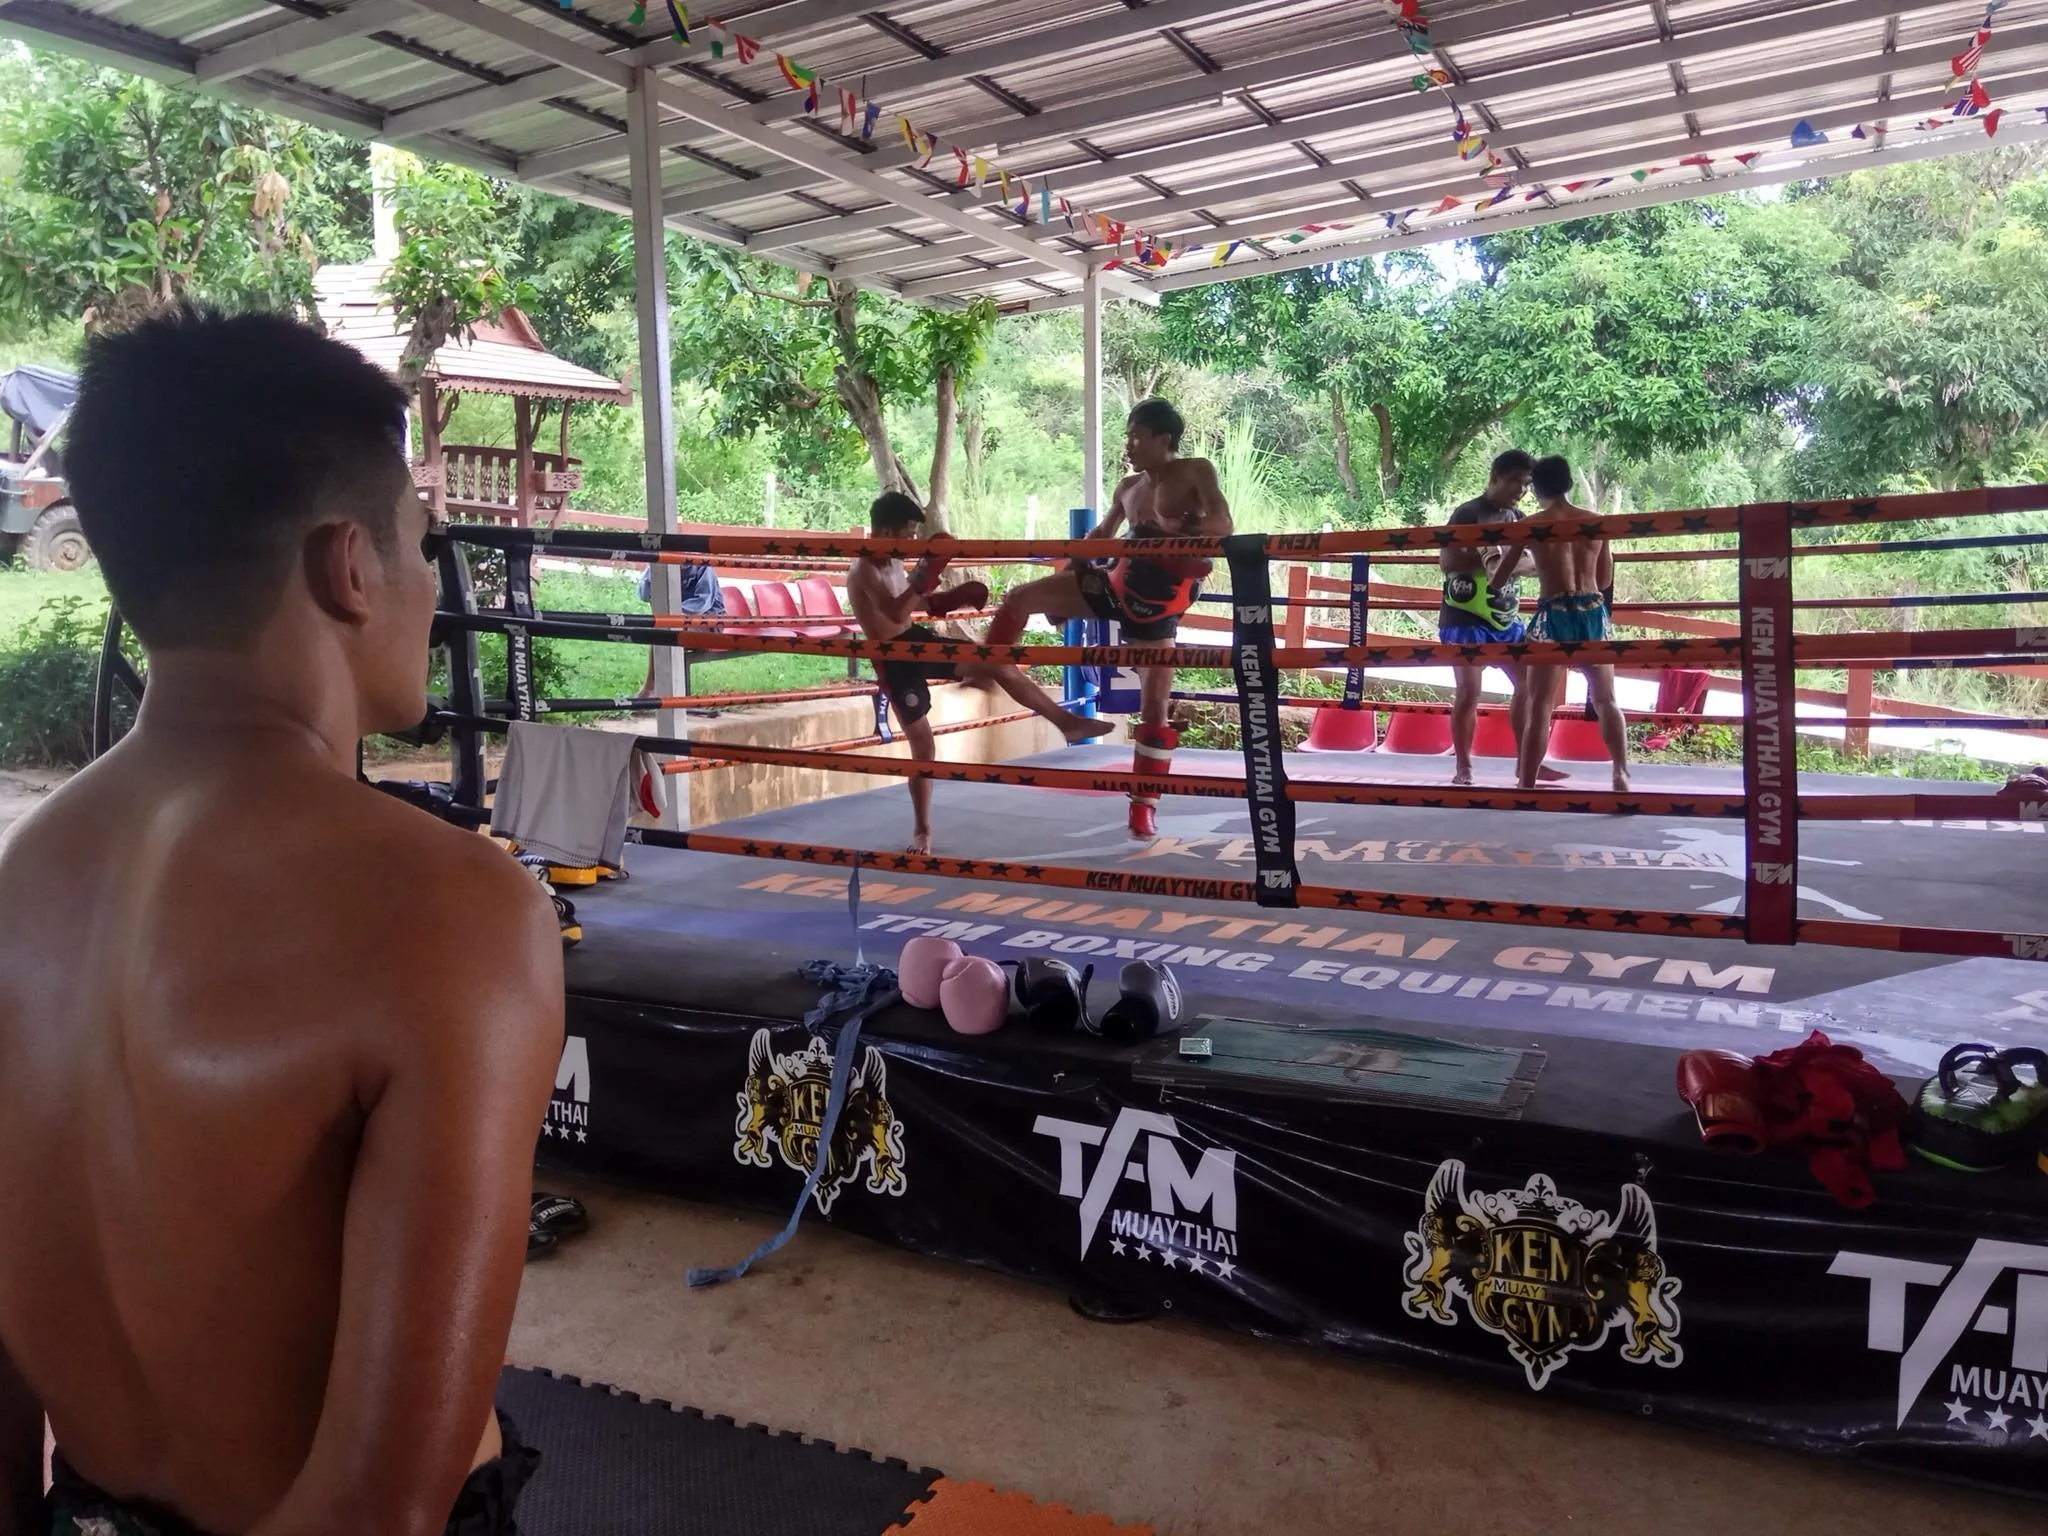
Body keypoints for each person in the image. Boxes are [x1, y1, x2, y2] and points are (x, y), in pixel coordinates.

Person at [0, 307, 564, 1535]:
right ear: (346, 568)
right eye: (420, 542)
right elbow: (377, 1513)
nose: (429, 583)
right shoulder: (454, 911)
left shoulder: (17, 885)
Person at [980, 399, 1232, 839]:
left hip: (1161, 604)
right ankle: (998, 672)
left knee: (1154, 712)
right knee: (1019, 599)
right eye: (1128, 435)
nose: (1129, 444)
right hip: (1116, 583)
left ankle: (1143, 808)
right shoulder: (1128, 487)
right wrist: (1075, 560)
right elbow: (1102, 538)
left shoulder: (1196, 471)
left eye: (1136, 435)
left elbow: (1225, 523)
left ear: (1163, 439)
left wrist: (1180, 536)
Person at [846, 491, 1111, 856]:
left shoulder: (891, 561)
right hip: (892, 658)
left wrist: (948, 598)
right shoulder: (862, 569)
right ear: (887, 529)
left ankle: (1066, 721)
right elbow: (892, 612)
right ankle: (923, 831)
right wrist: (925, 578)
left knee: (996, 659)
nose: (909, 543)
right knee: (923, 745)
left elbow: (911, 602)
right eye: (906, 534)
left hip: (915, 639)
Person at [1437, 448, 1561, 788]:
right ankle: (1463, 767)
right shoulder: (1467, 513)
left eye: (1525, 484)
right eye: (1513, 482)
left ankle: (1527, 761)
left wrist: (1500, 563)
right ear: (1494, 478)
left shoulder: (1519, 517)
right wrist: (1494, 562)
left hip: (1506, 618)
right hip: (1464, 615)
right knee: (1468, 692)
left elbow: (1536, 564)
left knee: (1529, 686)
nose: (1519, 490)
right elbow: (1448, 563)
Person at [1520, 454, 1629, 792]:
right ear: (1568, 483)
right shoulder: (1596, 520)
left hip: (1553, 612)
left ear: (1536, 488)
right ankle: (1620, 774)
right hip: (1592, 611)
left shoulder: (1530, 525)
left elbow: (1500, 576)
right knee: (1606, 699)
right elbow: (1605, 577)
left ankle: (1525, 782)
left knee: (1539, 703)